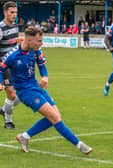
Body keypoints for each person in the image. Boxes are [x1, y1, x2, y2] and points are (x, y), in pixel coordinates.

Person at [0, 26, 92, 154]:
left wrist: (44, 77)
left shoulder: (36, 50)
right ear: (29, 40)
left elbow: (42, 66)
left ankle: (25, 136)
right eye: (39, 41)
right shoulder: (13, 55)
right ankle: (80, 145)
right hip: (25, 92)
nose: (41, 43)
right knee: (55, 118)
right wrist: (1, 82)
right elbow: (1, 69)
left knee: (55, 117)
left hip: (37, 87)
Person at [0, 1, 19, 129]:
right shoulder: (1, 28)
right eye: (11, 12)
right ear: (5, 13)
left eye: (15, 12)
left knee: (22, 94)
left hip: (14, 65)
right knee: (11, 94)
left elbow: (14, 46)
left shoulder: (16, 26)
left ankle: (3, 109)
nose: (14, 15)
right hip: (3, 65)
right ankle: (8, 121)